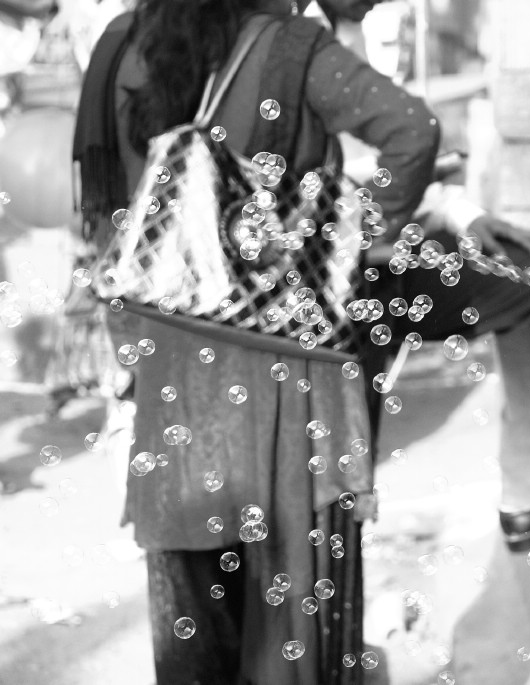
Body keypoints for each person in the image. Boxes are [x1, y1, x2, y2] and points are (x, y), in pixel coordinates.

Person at [74, 1, 441, 683]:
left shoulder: (122, 44)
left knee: (193, 639)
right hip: (289, 380)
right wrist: (341, 240)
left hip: (174, 378)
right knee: (291, 632)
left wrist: (130, 358)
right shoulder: (291, 48)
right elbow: (414, 131)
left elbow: (108, 223)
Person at [318, 0, 530, 552]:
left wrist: (463, 213)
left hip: (376, 244)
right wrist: (378, 227)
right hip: (339, 269)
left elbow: (397, 161)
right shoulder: (301, 42)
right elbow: (396, 147)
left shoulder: (346, 29)